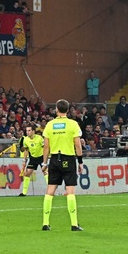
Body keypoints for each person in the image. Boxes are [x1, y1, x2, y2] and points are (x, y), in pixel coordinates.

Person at [41, 99, 84, 231]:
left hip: (54, 159)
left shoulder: (50, 125)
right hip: (68, 158)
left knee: (50, 191)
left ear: (56, 109)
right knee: (70, 192)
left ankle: (45, 223)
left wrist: (44, 163)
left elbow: (46, 146)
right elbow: (77, 144)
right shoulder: (73, 124)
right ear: (68, 109)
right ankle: (74, 224)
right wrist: (80, 161)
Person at [18, 124, 47, 196]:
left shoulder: (39, 138)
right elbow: (26, 149)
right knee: (27, 174)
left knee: (45, 172)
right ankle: (24, 192)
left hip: (41, 157)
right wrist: (24, 159)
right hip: (33, 158)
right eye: (26, 131)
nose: (27, 132)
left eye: (29, 130)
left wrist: (45, 160)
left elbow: (45, 148)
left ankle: (50, 191)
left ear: (33, 131)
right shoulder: (26, 139)